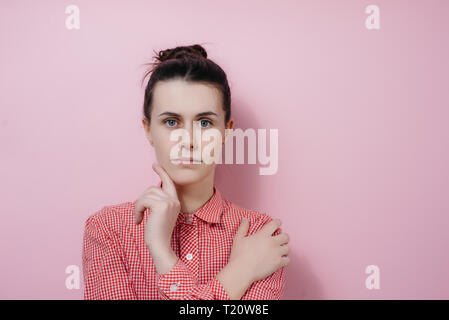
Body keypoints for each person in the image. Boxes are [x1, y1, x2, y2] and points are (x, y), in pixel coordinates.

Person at [82, 44, 291, 299]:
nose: (188, 140)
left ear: (227, 131)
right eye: (171, 122)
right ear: (148, 129)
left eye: (205, 123)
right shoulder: (109, 228)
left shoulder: (260, 235)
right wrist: (239, 273)